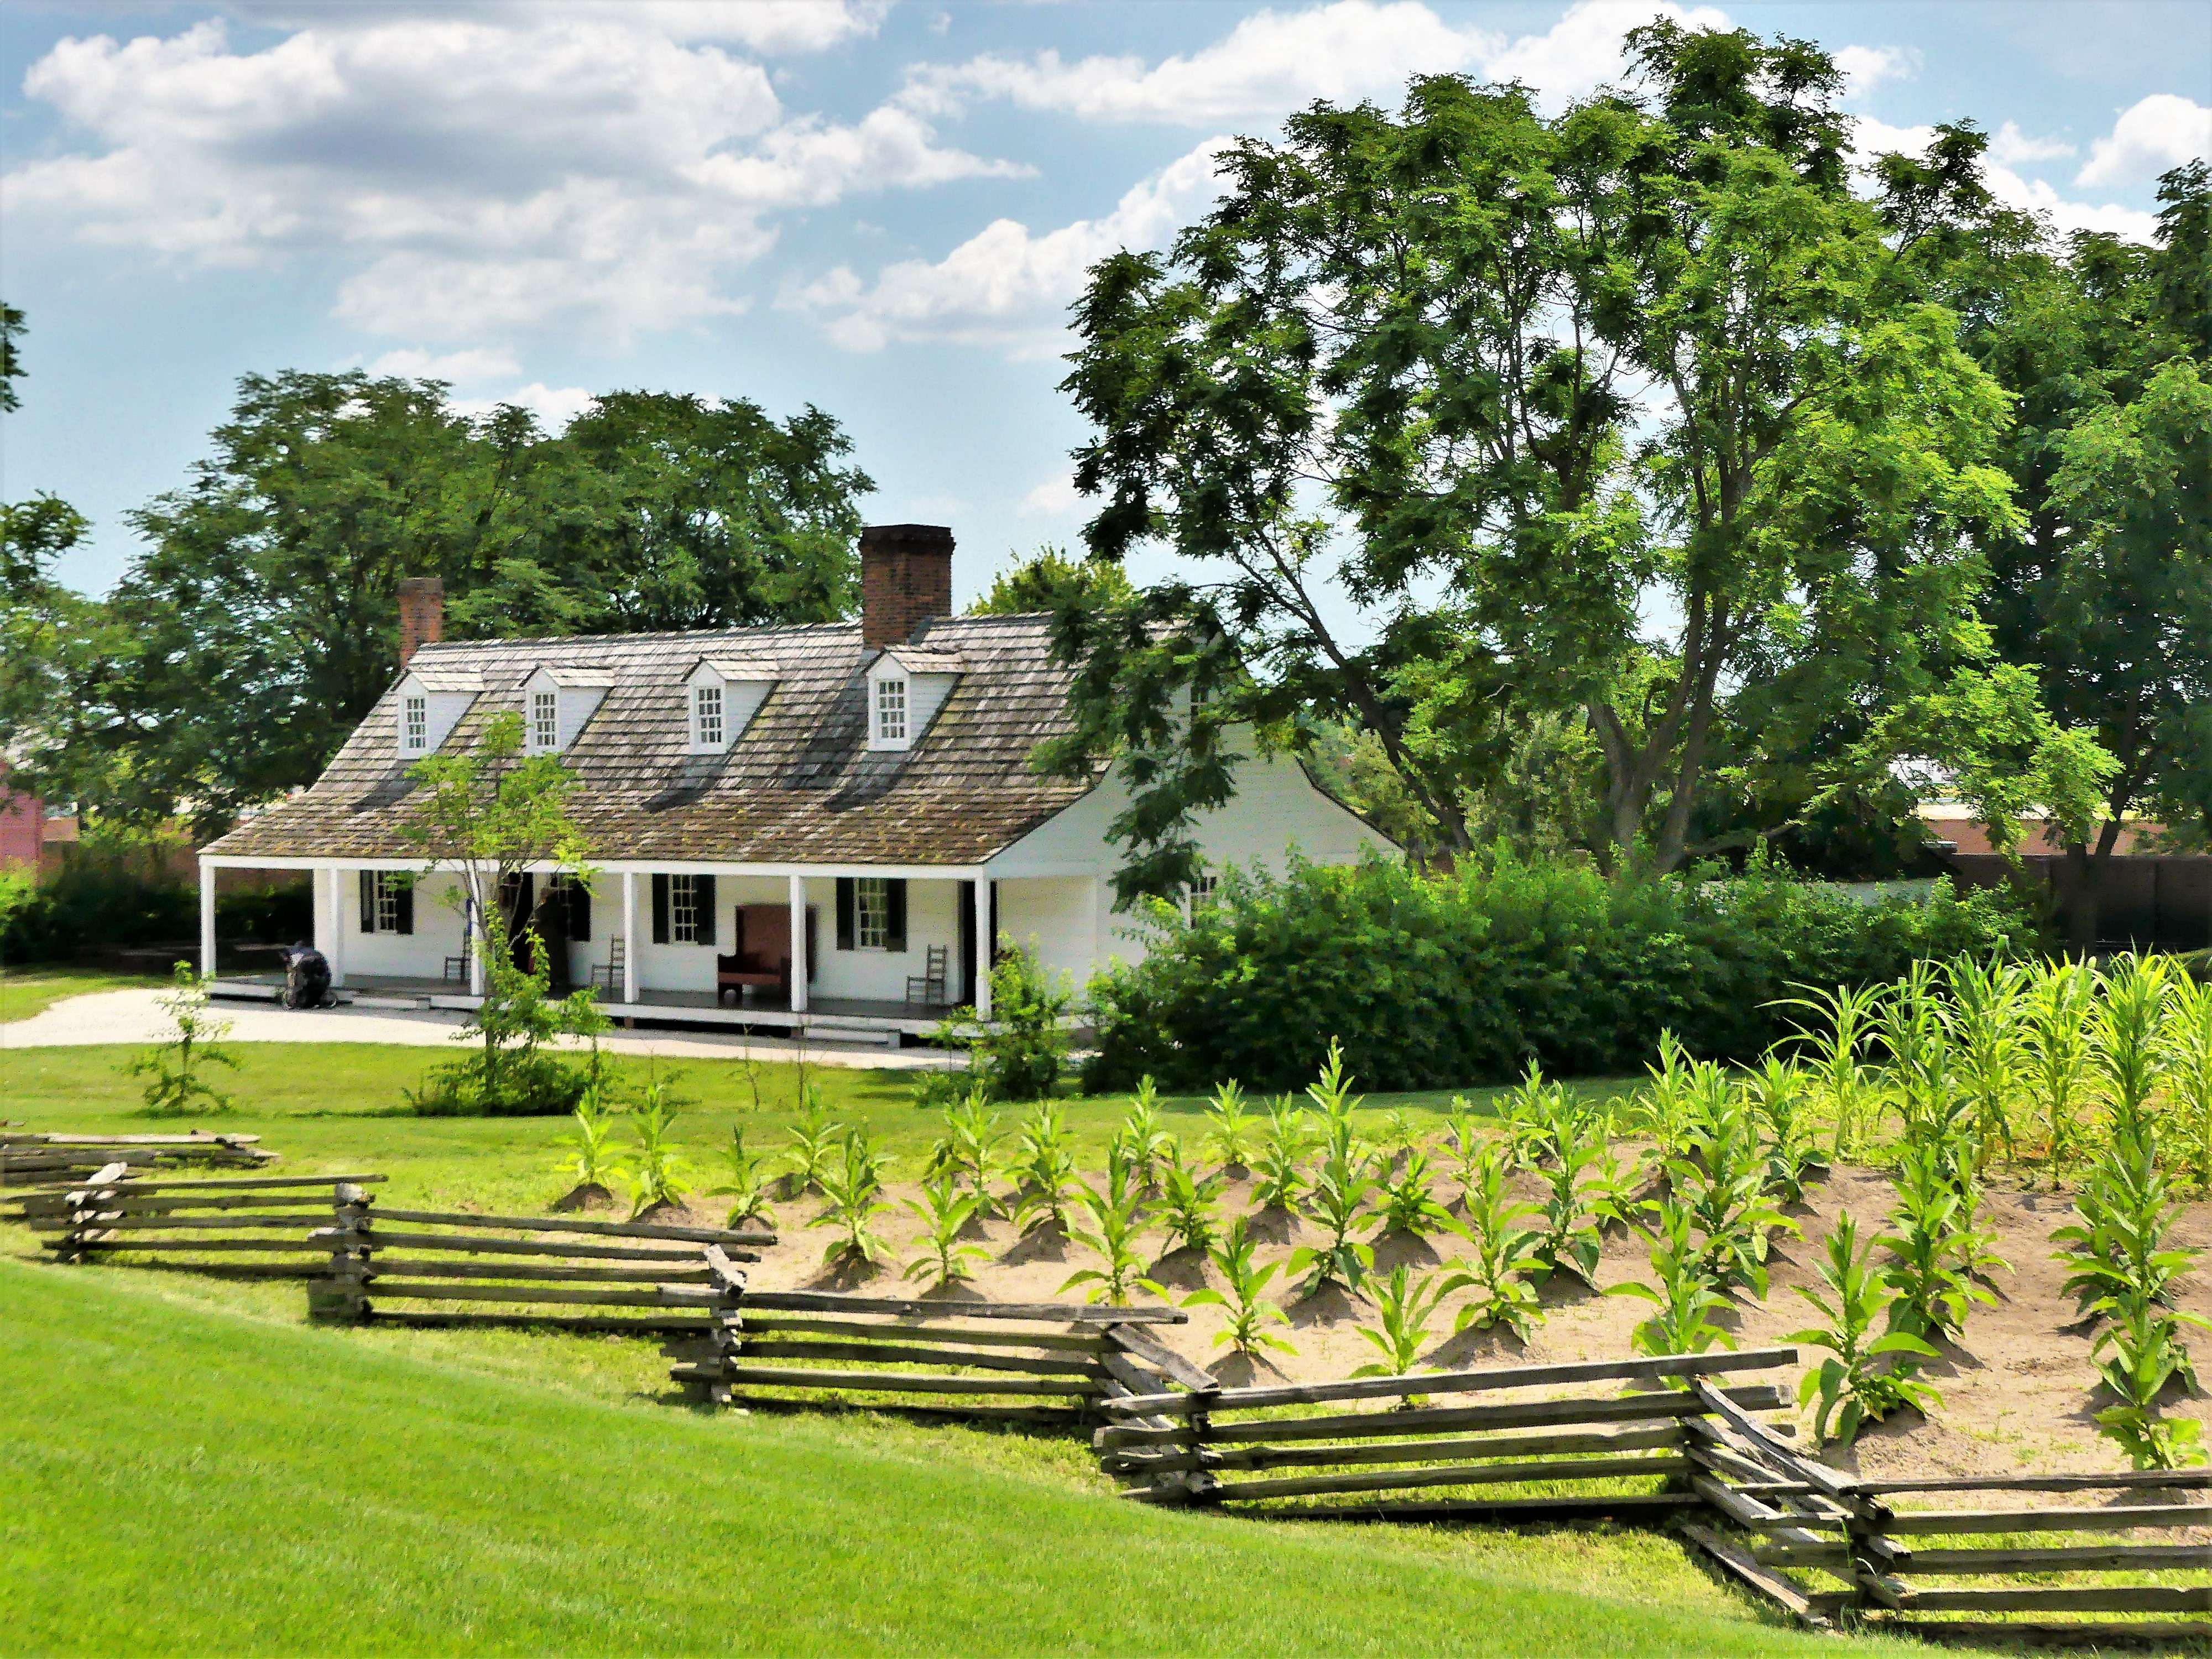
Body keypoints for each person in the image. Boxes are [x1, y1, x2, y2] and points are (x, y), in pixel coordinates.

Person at [278, 941, 333, 1010]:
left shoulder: (296, 954)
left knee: (299, 986)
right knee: (316, 985)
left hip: (308, 968)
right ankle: (318, 1002)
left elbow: (295, 968)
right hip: (320, 971)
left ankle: (294, 1003)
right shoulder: (314, 952)